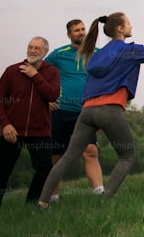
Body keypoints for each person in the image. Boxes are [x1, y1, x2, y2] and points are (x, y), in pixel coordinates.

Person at [37, 9, 144, 208]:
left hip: (86, 111)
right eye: (128, 23)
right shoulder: (128, 50)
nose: (131, 26)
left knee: (67, 157)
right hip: (110, 110)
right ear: (120, 29)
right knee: (127, 156)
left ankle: (43, 202)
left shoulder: (97, 55)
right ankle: (104, 202)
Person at [0, 37, 60, 209]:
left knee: (44, 169)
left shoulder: (52, 72)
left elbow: (52, 95)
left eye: (37, 48)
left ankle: (31, 203)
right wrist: (5, 124)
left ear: (45, 52)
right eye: (30, 47)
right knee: (3, 171)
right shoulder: (12, 71)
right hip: (12, 131)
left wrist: (35, 76)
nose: (32, 50)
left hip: (40, 132)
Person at [43, 19, 104, 200]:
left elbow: (107, 80)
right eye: (76, 30)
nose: (81, 32)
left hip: (86, 111)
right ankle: (53, 198)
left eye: (83, 29)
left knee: (91, 150)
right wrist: (46, 98)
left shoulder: (98, 54)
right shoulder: (58, 54)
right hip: (61, 111)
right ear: (69, 35)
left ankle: (100, 194)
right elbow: (39, 73)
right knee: (57, 156)